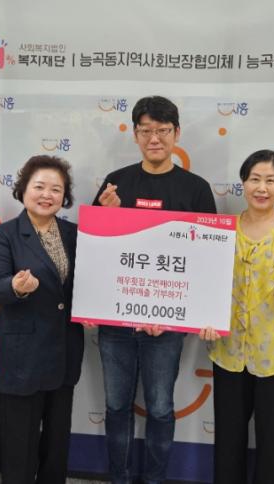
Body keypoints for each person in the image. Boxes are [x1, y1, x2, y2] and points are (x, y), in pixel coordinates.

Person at [92, 95, 217, 484]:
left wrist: (174, 315)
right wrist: (106, 216)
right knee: (116, 406)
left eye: (162, 130)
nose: (154, 138)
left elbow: (206, 261)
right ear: (135, 134)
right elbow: (96, 253)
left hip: (167, 326)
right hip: (116, 324)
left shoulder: (196, 189)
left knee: (161, 407)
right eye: (146, 130)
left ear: (176, 133)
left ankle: (155, 479)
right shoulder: (116, 183)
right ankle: (120, 477)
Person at [201, 150, 274, 484]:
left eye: (270, 180)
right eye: (254, 179)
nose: (261, 188)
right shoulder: (222, 229)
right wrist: (203, 317)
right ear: (243, 183)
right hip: (229, 351)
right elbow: (206, 282)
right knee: (228, 439)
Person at [0, 155, 84, 484]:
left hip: (65, 350)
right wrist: (16, 287)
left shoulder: (74, 234)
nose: (47, 195)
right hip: (22, 354)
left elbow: (89, 282)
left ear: (65, 196)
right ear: (23, 189)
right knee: (19, 444)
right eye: (39, 186)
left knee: (57, 443)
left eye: (56, 189)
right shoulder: (5, 234)